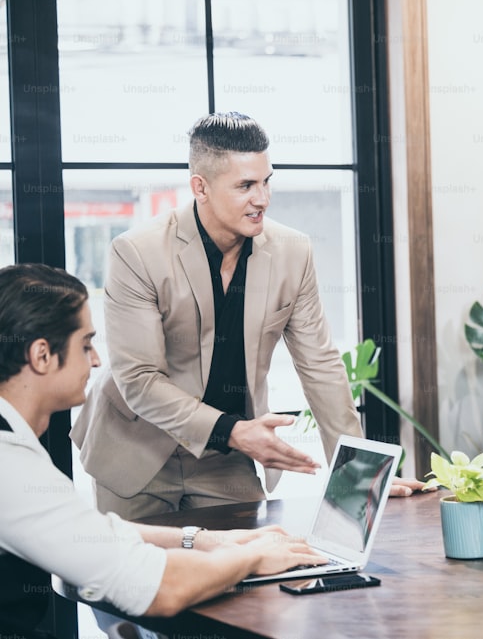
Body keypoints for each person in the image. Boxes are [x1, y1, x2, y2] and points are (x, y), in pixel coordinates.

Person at [71, 111, 420, 520]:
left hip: (226, 458)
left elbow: (321, 365)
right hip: (136, 449)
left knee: (249, 576)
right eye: (245, 186)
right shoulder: (137, 252)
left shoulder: (293, 251)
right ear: (200, 187)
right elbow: (140, 379)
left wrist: (358, 473)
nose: (263, 199)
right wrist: (235, 431)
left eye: (266, 181)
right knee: (143, 580)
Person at [0, 263, 330, 638]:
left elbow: (92, 532)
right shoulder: (9, 465)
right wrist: (253, 556)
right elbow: (159, 589)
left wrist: (205, 540)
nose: (96, 361)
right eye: (86, 344)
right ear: (42, 355)